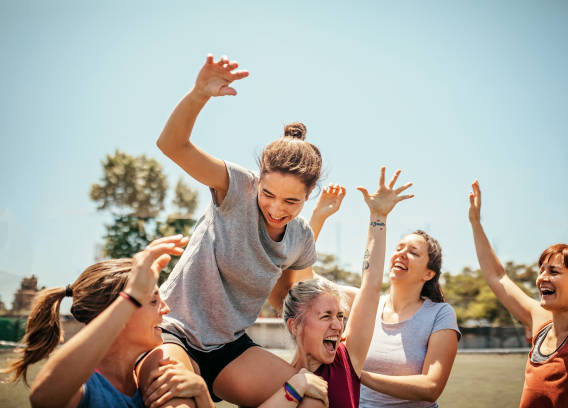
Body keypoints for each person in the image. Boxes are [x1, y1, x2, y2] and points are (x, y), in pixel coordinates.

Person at [140, 54, 328, 407]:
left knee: (314, 395)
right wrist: (200, 93)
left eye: (291, 201)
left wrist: (324, 328)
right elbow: (172, 146)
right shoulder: (237, 187)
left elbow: (288, 298)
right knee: (177, 402)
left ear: (309, 194)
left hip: (229, 347)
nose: (275, 208)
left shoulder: (300, 238)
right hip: (175, 331)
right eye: (268, 194)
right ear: (257, 180)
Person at [468, 125, 568, 407]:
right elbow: (498, 277)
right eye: (542, 270)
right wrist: (475, 223)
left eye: (554, 271)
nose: (542, 277)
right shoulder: (542, 323)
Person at [2, 235, 217, 408]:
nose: (166, 309)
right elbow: (43, 397)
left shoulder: (150, 381)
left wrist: (201, 393)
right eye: (153, 301)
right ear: (119, 312)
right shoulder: (87, 386)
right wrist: (132, 295)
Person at [282, 167, 414, 407]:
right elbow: (299, 277)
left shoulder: (346, 359)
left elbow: (371, 286)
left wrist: (378, 216)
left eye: (341, 316)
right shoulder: (276, 379)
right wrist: (318, 216)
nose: (338, 325)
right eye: (326, 316)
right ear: (295, 325)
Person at [357, 228, 460, 407]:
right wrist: (320, 214)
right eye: (399, 248)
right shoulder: (366, 305)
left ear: (428, 274)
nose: (401, 254)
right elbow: (305, 276)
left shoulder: (440, 313)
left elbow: (431, 387)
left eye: (413, 252)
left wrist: (358, 374)